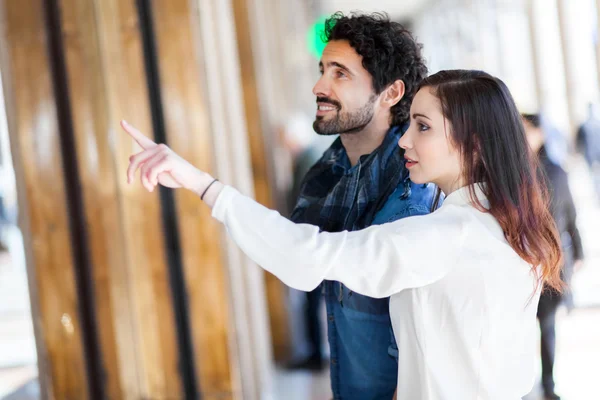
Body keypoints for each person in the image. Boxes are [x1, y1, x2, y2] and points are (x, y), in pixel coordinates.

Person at [122, 69, 563, 399]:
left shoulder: (450, 234)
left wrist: (202, 184)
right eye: (409, 124)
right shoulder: (506, 225)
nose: (405, 141)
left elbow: (309, 256)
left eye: (423, 127)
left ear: (476, 142)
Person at [523, 113, 584, 400]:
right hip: (522, 263)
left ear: (540, 134)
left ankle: (548, 385)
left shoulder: (556, 171)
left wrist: (579, 250)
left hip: (551, 263)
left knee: (547, 327)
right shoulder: (513, 172)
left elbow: (570, 214)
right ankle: (524, 385)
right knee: (521, 329)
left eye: (527, 130)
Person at [576, 103, 600, 202]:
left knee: (594, 175)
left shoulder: (586, 125)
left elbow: (579, 142)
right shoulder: (595, 124)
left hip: (591, 155)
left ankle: (597, 193)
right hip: (593, 154)